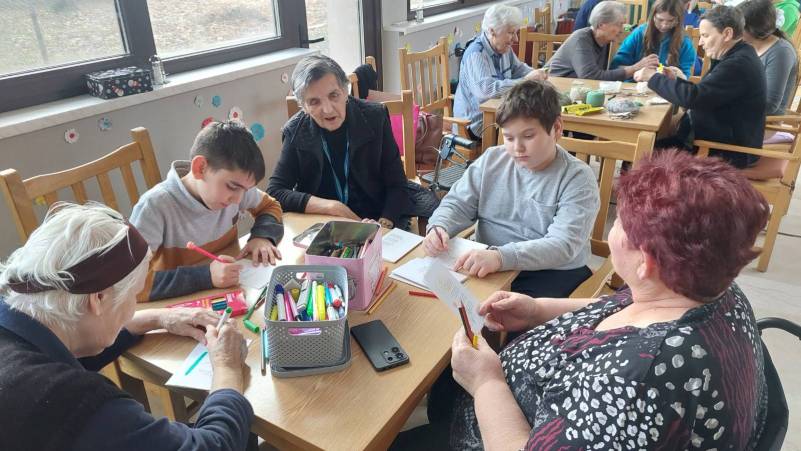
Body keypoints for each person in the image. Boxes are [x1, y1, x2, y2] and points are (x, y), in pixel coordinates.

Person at [447, 150, 769, 449]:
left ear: (645, 262)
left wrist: (486, 383)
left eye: (619, 223)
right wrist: (538, 310)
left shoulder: (633, 386)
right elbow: (628, 308)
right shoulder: (705, 286)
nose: (613, 229)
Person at [0, 203, 254, 451]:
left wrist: (159, 317)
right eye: (134, 295)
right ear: (98, 298)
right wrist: (227, 366)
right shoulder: (71, 400)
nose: (134, 307)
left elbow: (73, 342)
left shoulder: (18, 322)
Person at [424, 80, 599, 299]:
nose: (517, 148)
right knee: (440, 300)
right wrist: (440, 226)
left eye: (528, 136)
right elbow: (458, 203)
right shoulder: (492, 159)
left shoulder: (578, 178)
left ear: (556, 128)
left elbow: (563, 245)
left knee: (494, 313)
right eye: (508, 137)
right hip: (490, 260)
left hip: (551, 271)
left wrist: (501, 257)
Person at [268, 55, 438, 231]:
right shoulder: (295, 131)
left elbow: (397, 184)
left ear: (345, 91)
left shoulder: (375, 117)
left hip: (376, 215)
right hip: (325, 224)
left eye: (334, 95)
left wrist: (383, 225)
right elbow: (275, 191)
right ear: (303, 106)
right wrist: (332, 207)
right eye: (314, 102)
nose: (327, 109)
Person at [131, 120, 284, 301]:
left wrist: (262, 236)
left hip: (232, 292)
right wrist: (206, 277)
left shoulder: (236, 188)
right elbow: (130, 285)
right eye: (232, 187)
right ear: (200, 168)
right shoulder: (154, 207)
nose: (238, 200)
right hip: (181, 304)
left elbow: (271, 206)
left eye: (246, 190)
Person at [635, 5, 767, 168]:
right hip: (714, 140)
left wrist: (652, 77)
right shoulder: (738, 55)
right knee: (644, 146)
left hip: (723, 151)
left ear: (727, 34)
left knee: (640, 153)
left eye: (705, 35)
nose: (701, 42)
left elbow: (693, 98)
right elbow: (704, 93)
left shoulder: (738, 64)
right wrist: (674, 80)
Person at [453, 4, 548, 139]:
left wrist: (538, 74)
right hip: (477, 124)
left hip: (499, 114)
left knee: (539, 121)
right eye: (511, 33)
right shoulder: (476, 54)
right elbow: (486, 91)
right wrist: (526, 80)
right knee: (532, 129)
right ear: (492, 31)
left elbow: (519, 69)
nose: (516, 39)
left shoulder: (503, 48)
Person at [548, 1, 660, 80]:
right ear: (601, 24)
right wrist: (635, 67)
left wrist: (640, 69)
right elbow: (591, 77)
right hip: (553, 91)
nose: (622, 30)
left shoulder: (604, 41)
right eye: (619, 24)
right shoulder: (581, 39)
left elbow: (603, 74)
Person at [740, 0, 799, 116]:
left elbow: (770, 104)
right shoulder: (747, 45)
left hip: (765, 119)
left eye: (739, 27)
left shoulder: (781, 51)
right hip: (743, 112)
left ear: (753, 28)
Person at [612, 0, 698, 78]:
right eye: (660, 20)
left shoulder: (684, 41)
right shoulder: (639, 33)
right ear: (653, 17)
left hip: (666, 87)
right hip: (633, 85)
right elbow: (615, 68)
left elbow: (685, 77)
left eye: (671, 21)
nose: (664, 25)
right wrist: (637, 67)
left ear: (678, 20)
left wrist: (677, 75)